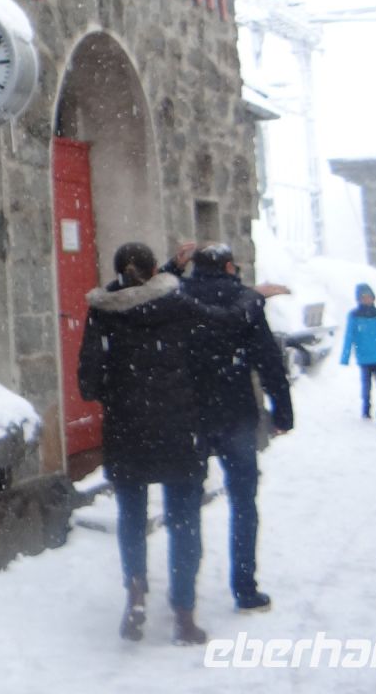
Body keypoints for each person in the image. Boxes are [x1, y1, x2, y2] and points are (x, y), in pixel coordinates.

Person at [78, 242, 213, 645]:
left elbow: (88, 382)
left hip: (127, 429)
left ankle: (136, 590)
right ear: (155, 270)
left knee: (132, 517)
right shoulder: (178, 304)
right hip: (178, 427)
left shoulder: (104, 311)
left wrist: (119, 392)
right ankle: (184, 613)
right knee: (184, 520)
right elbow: (205, 356)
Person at [178, 242, 293, 613]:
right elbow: (269, 360)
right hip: (235, 412)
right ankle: (245, 586)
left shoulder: (178, 298)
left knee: (187, 503)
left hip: (192, 413)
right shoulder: (245, 302)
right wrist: (282, 412)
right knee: (244, 501)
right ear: (229, 266)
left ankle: (184, 594)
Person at [340, 284, 376, 426]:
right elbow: (349, 336)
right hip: (364, 358)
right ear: (358, 299)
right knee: (367, 387)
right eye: (363, 297)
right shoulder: (354, 316)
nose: (367, 299)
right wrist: (345, 356)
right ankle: (366, 410)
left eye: (369, 297)